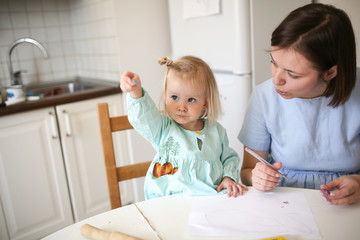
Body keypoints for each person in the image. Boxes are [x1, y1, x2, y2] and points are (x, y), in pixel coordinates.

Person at [239, 3, 360, 205]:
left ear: (330, 72)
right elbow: (247, 172)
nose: (276, 80)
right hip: (284, 203)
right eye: (274, 62)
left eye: (293, 74)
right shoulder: (263, 96)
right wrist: (257, 178)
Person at [120, 55, 248, 199]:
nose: (181, 107)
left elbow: (229, 159)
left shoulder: (216, 131)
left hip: (209, 200)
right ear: (166, 96)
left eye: (191, 100)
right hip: (169, 203)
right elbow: (143, 117)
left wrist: (228, 178)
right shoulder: (163, 128)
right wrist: (135, 91)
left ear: (205, 103)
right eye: (174, 97)